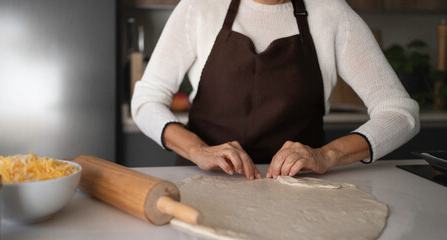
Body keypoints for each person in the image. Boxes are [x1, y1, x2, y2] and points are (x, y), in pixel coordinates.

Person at [131, 0, 419, 180]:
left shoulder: (331, 13)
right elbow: (146, 99)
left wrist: (326, 155)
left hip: (299, 191)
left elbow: (401, 113)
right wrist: (199, 150)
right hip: (202, 182)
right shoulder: (199, 7)